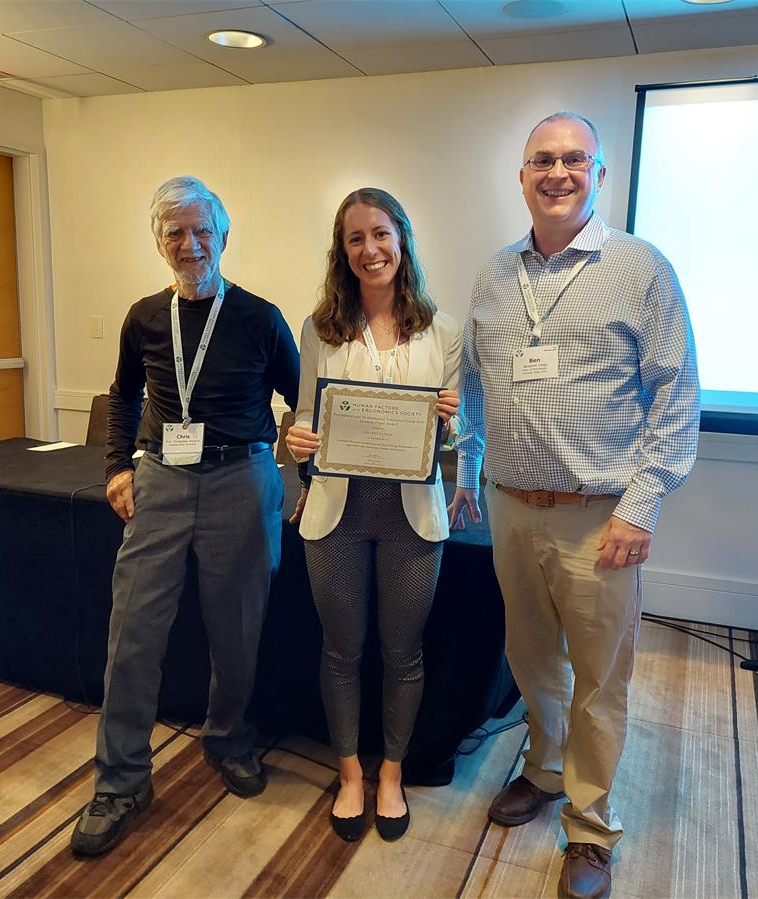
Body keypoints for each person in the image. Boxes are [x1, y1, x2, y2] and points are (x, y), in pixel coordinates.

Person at [447, 113, 699, 898]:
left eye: (572, 160)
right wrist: (466, 471)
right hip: (510, 509)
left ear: (598, 172)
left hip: (601, 517)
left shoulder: (640, 268)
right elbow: (475, 384)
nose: (557, 173)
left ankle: (590, 830)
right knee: (531, 660)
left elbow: (677, 395)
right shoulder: (493, 274)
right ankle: (546, 769)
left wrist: (641, 506)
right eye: (541, 161)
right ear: (521, 177)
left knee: (599, 677)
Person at [71, 176, 300, 858]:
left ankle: (228, 740)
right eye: (174, 232)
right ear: (159, 242)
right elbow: (121, 395)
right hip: (161, 479)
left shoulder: (260, 316)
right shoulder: (144, 315)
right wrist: (117, 466)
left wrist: (293, 468)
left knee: (237, 629)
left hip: (241, 475)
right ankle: (120, 780)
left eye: (201, 230)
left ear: (223, 237)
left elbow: (306, 399)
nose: (189, 243)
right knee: (133, 631)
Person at [285, 188, 461, 843]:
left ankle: (391, 771)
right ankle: (350, 772)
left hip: (410, 515)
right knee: (340, 651)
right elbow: (307, 411)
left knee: (402, 652)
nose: (370, 249)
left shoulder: (442, 329)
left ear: (401, 240)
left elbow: (457, 426)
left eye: (380, 234)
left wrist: (451, 416)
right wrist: (298, 437)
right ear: (344, 251)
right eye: (356, 238)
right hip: (337, 511)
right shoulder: (318, 327)